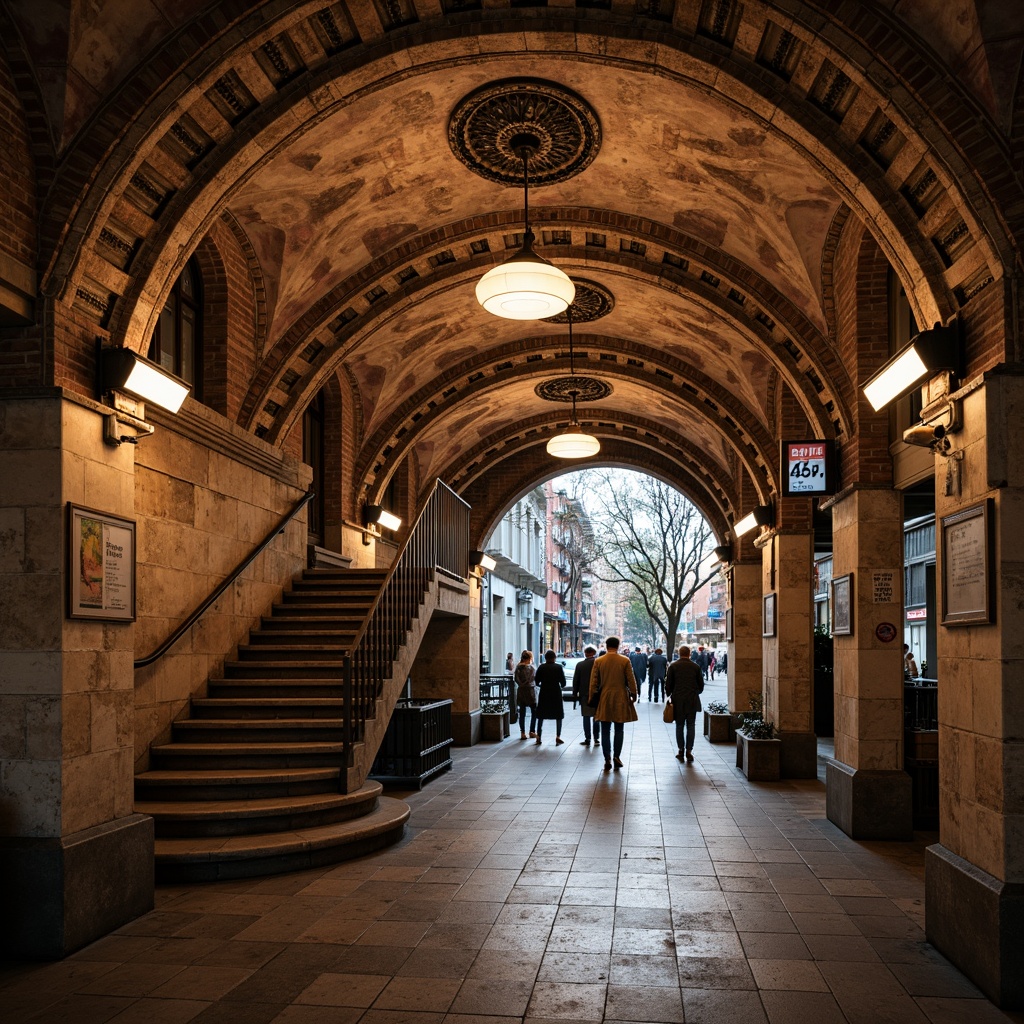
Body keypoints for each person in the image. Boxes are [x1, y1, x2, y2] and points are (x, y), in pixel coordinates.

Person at [589, 636, 638, 771]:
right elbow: (631, 679)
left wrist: (592, 697)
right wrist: (634, 694)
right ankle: (617, 756)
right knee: (619, 728)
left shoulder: (599, 661)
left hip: (604, 697)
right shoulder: (624, 660)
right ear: (618, 646)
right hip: (621, 696)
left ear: (606, 646)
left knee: (605, 729)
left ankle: (607, 758)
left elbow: (593, 682)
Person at [665, 644, 704, 762]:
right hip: (692, 700)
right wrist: (695, 692)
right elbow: (701, 685)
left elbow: (668, 684)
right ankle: (689, 750)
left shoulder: (673, 666)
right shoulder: (695, 667)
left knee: (679, 726)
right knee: (691, 726)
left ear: (679, 653)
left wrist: (670, 694)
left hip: (678, 700)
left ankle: (680, 750)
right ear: (689, 654)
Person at [533, 650, 566, 744]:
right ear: (554, 657)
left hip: (544, 692)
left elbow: (536, 681)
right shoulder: (559, 667)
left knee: (541, 715)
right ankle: (558, 736)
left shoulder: (541, 667)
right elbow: (563, 683)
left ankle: (539, 736)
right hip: (556, 693)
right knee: (558, 715)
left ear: (545, 658)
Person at [572, 646, 600, 745]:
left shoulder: (580, 665)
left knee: (586, 716)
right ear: (594, 653)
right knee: (596, 716)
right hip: (597, 694)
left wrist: (575, 694)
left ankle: (587, 738)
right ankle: (596, 738)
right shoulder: (599, 663)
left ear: (585, 653)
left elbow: (576, 681)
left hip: (584, 694)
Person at [514, 650, 537, 740]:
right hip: (531, 691)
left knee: (522, 713)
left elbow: (516, 679)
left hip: (521, 691)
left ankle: (522, 732)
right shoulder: (532, 668)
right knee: (534, 712)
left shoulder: (518, 668)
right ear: (530, 658)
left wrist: (521, 685)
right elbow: (534, 679)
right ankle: (532, 731)